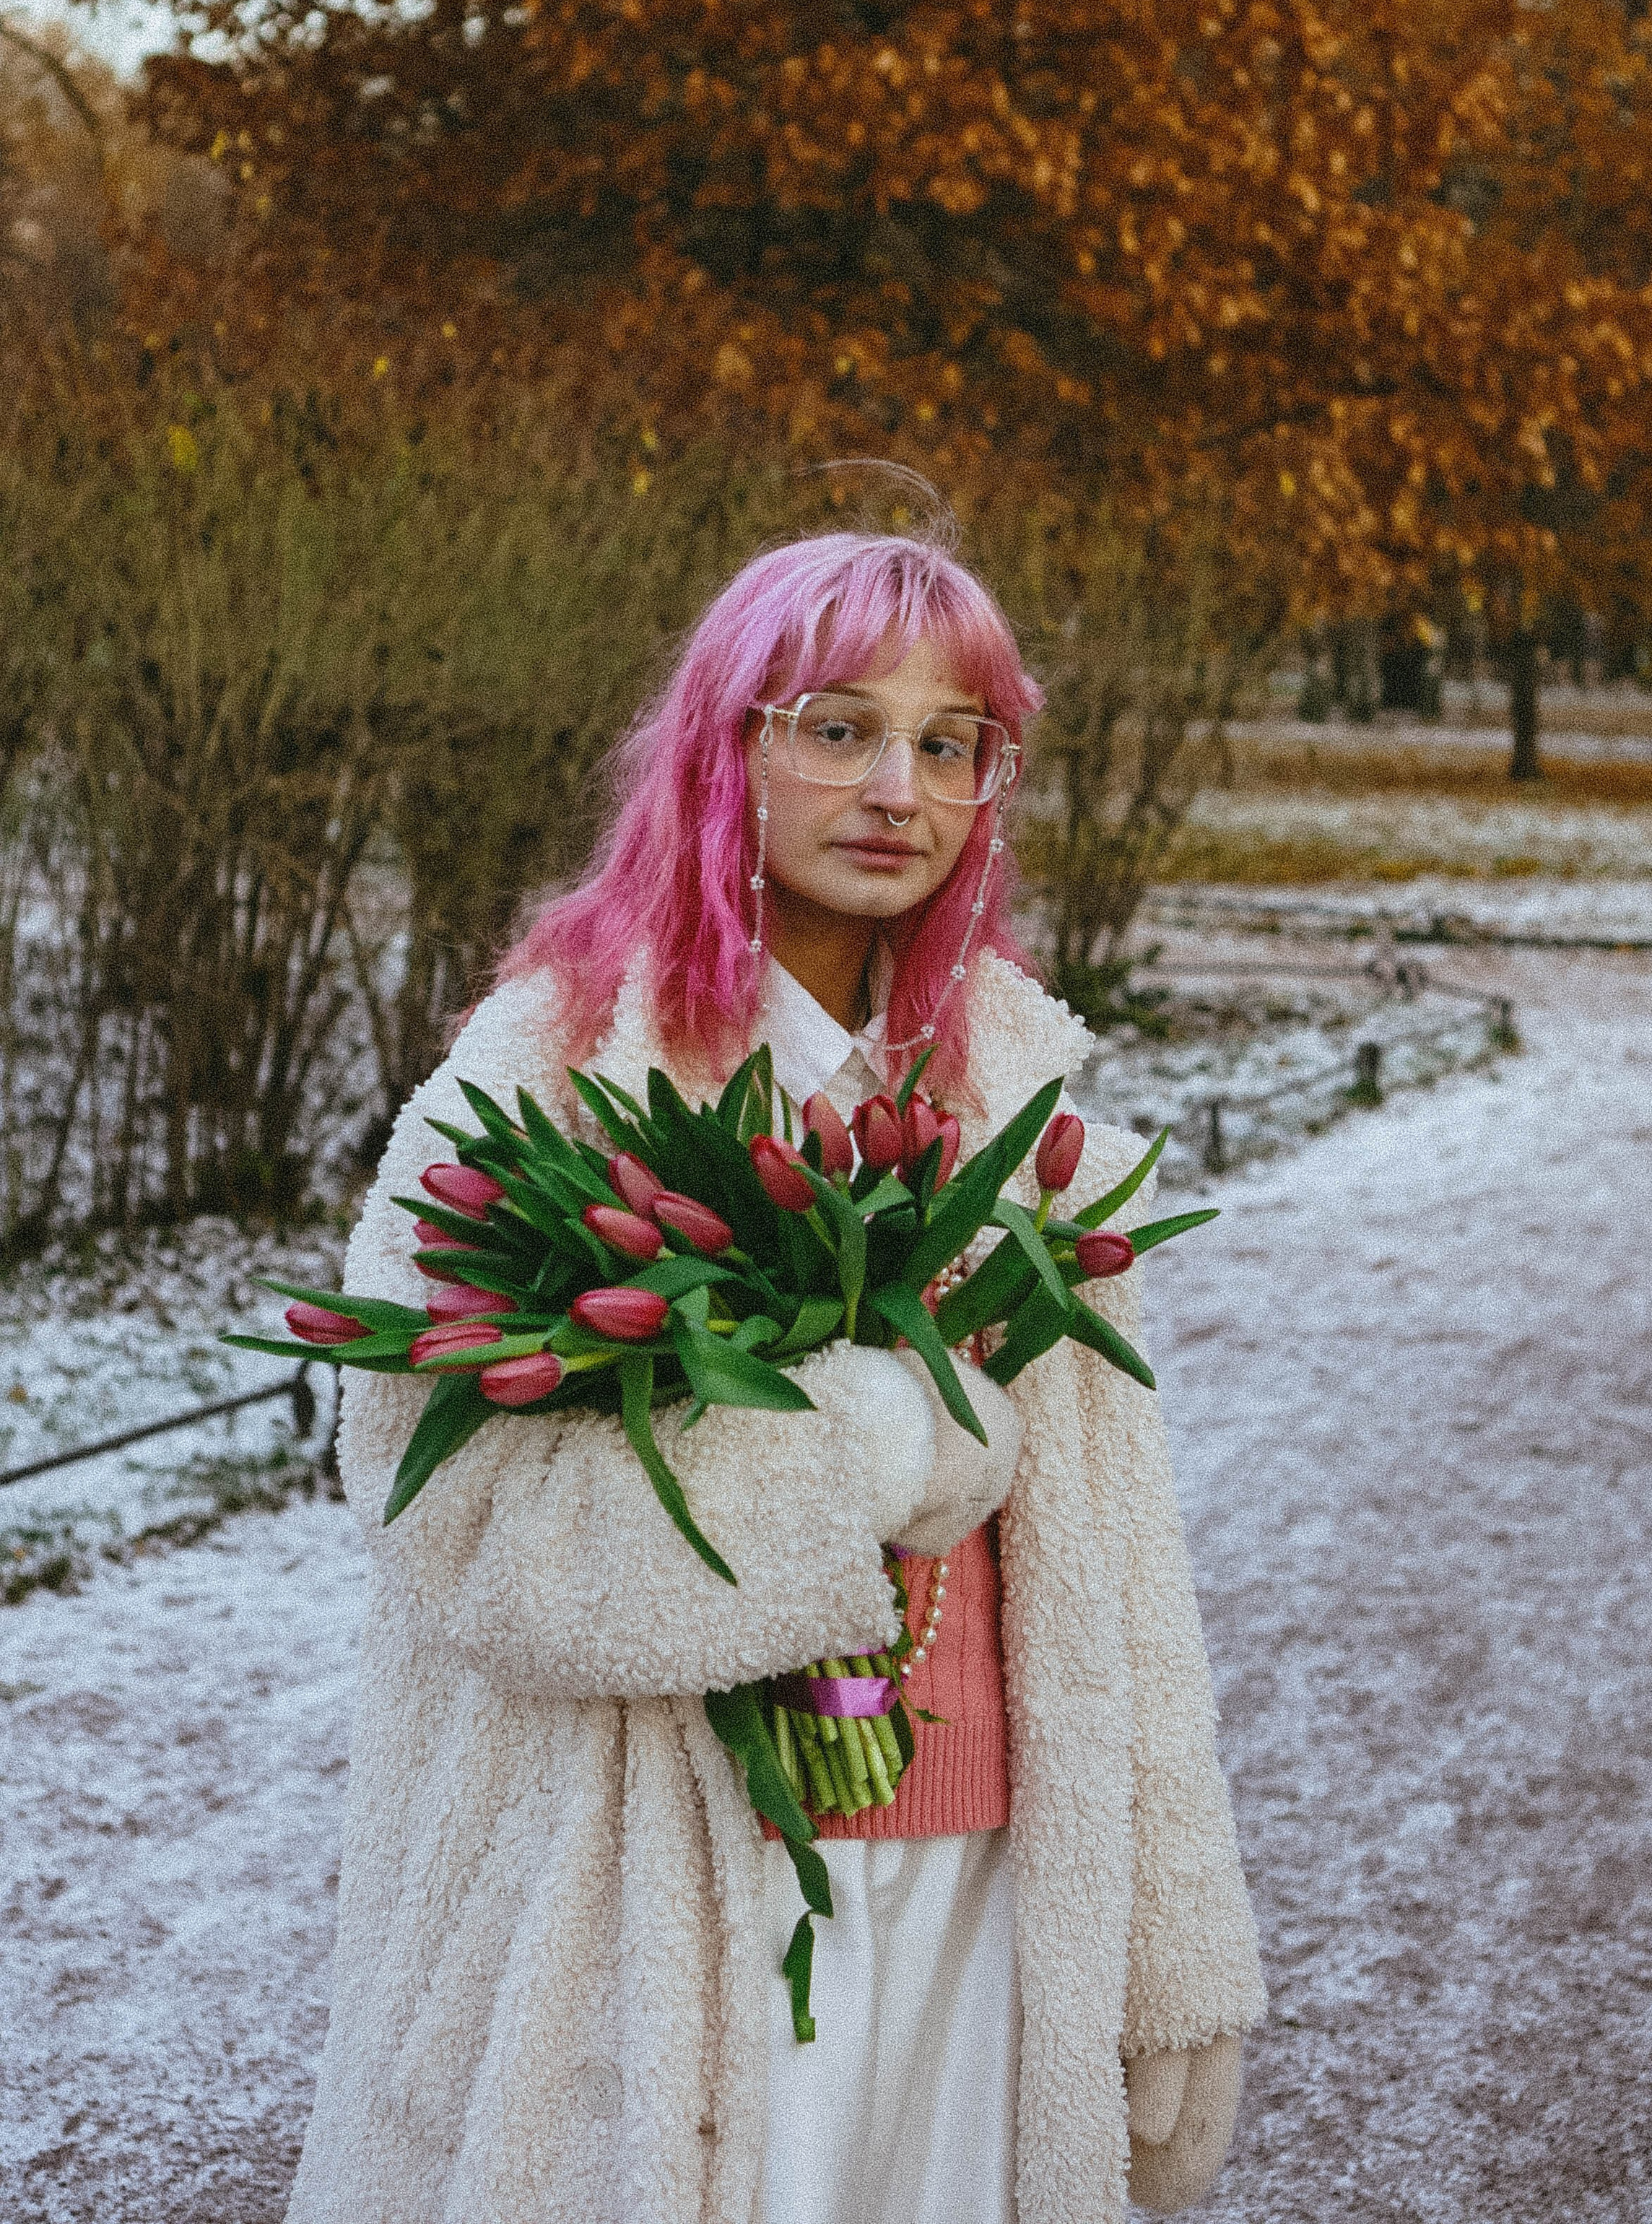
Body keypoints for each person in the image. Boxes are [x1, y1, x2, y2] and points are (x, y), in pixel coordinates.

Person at [286, 531, 1264, 2224]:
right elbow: (451, 1512)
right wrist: (865, 1442)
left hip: (982, 1876)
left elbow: (1117, 1568)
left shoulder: (1014, 1081)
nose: (897, 785)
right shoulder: (554, 1074)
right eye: (836, 726)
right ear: (723, 744)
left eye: (947, 743)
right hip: (663, 1906)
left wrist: (1174, 1948)